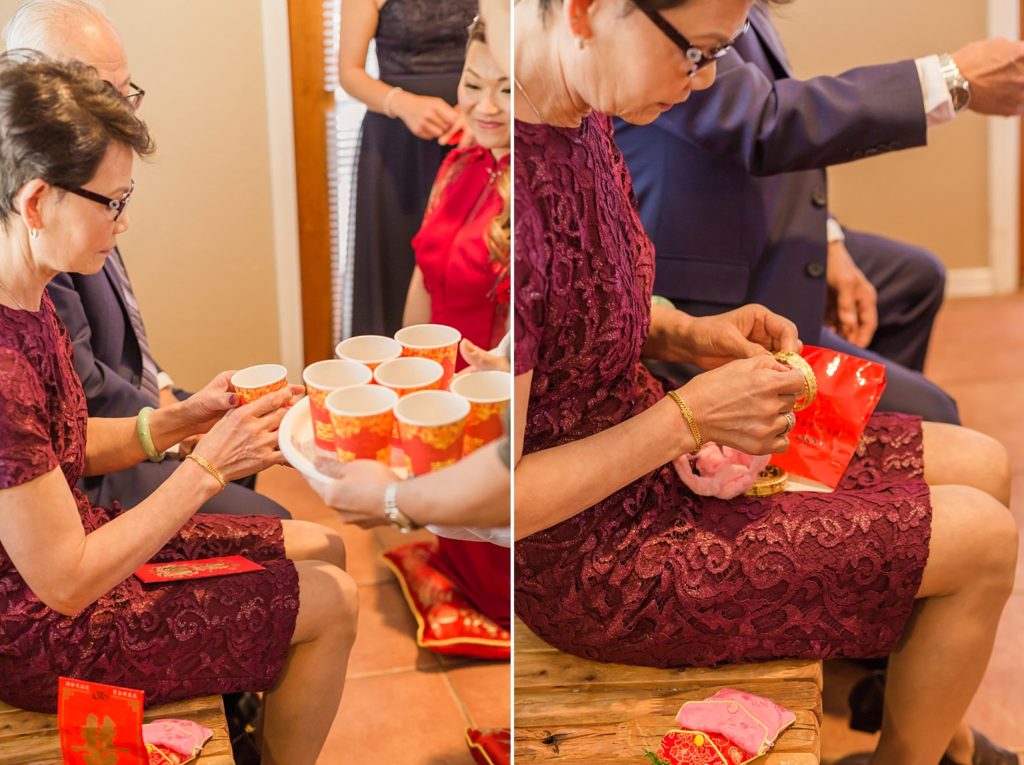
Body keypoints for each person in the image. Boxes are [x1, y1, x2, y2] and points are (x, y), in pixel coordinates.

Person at [513, 1, 1018, 764]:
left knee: (986, 462)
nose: (703, 81)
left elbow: (589, 304)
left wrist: (686, 330)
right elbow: (503, 499)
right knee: (984, 538)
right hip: (598, 553)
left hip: (659, 457)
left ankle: (935, 737)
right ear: (587, 12)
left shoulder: (583, 119)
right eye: (697, 54)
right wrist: (688, 416)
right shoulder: (502, 197)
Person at [0, 53, 357, 765]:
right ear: (37, 201)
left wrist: (175, 422)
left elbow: (60, 450)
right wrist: (204, 467)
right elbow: (64, 579)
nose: (122, 224)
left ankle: (254, 713)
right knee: (336, 600)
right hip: (43, 628)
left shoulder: (29, 295)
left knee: (326, 546)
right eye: (113, 202)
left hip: (80, 558)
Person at [614, 3, 1024, 425]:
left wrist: (828, 237)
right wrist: (951, 80)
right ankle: (854, 438)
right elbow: (764, 121)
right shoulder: (668, 21)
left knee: (914, 279)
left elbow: (768, 102)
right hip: (701, 283)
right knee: (934, 413)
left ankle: (839, 441)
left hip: (748, 228)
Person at [3, 0, 291, 519]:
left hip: (103, 433)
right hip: (82, 502)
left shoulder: (58, 235)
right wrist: (197, 457)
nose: (120, 114)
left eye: (123, 91)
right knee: (291, 538)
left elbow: (69, 431)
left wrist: (181, 411)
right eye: (95, 95)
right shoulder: (36, 265)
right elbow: (64, 576)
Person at [397, 16, 511, 628]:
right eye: (473, 83)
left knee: (499, 589)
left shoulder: (542, 189)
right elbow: (424, 267)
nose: (484, 106)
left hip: (498, 412)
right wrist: (406, 380)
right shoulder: (463, 158)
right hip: (443, 402)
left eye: (508, 88)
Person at [339, 0, 477, 336]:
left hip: (472, 134)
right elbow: (349, 73)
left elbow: (507, 54)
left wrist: (478, 109)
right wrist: (401, 104)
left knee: (470, 264)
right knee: (398, 265)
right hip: (396, 144)